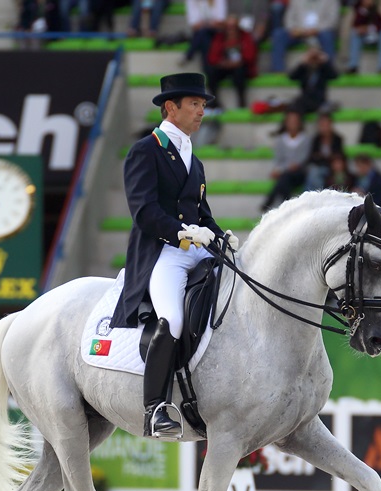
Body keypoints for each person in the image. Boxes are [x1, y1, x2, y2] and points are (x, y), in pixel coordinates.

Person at [111, 73, 232, 439]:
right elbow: (144, 211)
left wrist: (220, 236)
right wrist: (181, 233)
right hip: (163, 252)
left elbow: (202, 212)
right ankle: (155, 409)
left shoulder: (194, 159)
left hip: (197, 250)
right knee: (173, 319)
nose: (201, 112)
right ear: (170, 108)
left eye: (203, 106)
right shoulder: (144, 151)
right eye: (194, 105)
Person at [261, 107, 312, 210]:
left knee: (284, 178)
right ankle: (288, 205)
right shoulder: (280, 140)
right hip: (286, 173)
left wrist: (283, 169)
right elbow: (278, 159)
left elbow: (302, 159)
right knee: (285, 179)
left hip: (299, 173)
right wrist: (280, 169)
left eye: (295, 121)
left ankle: (271, 200)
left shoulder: (306, 139)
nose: (293, 124)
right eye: (290, 121)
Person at [269, 0, 340, 72]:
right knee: (279, 34)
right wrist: (294, 29)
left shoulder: (331, 1)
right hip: (299, 32)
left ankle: (329, 70)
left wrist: (316, 29)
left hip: (320, 32)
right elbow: (289, 18)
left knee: (327, 35)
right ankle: (278, 70)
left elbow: (332, 21)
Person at [205, 14, 258, 108]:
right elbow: (212, 57)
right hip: (224, 66)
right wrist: (223, 62)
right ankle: (214, 101)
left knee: (240, 73)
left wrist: (238, 62)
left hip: (240, 65)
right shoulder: (220, 37)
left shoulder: (245, 36)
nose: (231, 29)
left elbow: (250, 56)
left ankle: (242, 101)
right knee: (211, 72)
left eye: (233, 27)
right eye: (228, 27)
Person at [288, 40, 339, 113]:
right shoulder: (304, 69)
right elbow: (292, 77)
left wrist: (325, 62)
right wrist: (302, 63)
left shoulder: (323, 69)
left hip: (320, 100)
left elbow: (334, 76)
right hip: (305, 99)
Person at [345, 0, 381, 75]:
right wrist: (364, 9)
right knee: (355, 33)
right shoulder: (358, 8)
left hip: (379, 35)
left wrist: (369, 28)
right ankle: (353, 66)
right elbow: (356, 24)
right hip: (365, 36)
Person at [304, 109, 345, 190]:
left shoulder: (337, 139)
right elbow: (312, 157)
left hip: (331, 168)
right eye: (322, 125)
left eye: (326, 124)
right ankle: (317, 193)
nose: (324, 127)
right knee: (313, 172)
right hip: (318, 167)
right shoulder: (316, 139)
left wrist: (323, 158)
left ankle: (314, 194)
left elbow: (339, 156)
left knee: (314, 174)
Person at [182, 0, 227, 71]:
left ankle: (189, 54)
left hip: (216, 33)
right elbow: (194, 26)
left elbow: (221, 22)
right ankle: (208, 71)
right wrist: (209, 23)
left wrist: (205, 24)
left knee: (203, 33)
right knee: (205, 38)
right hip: (201, 33)